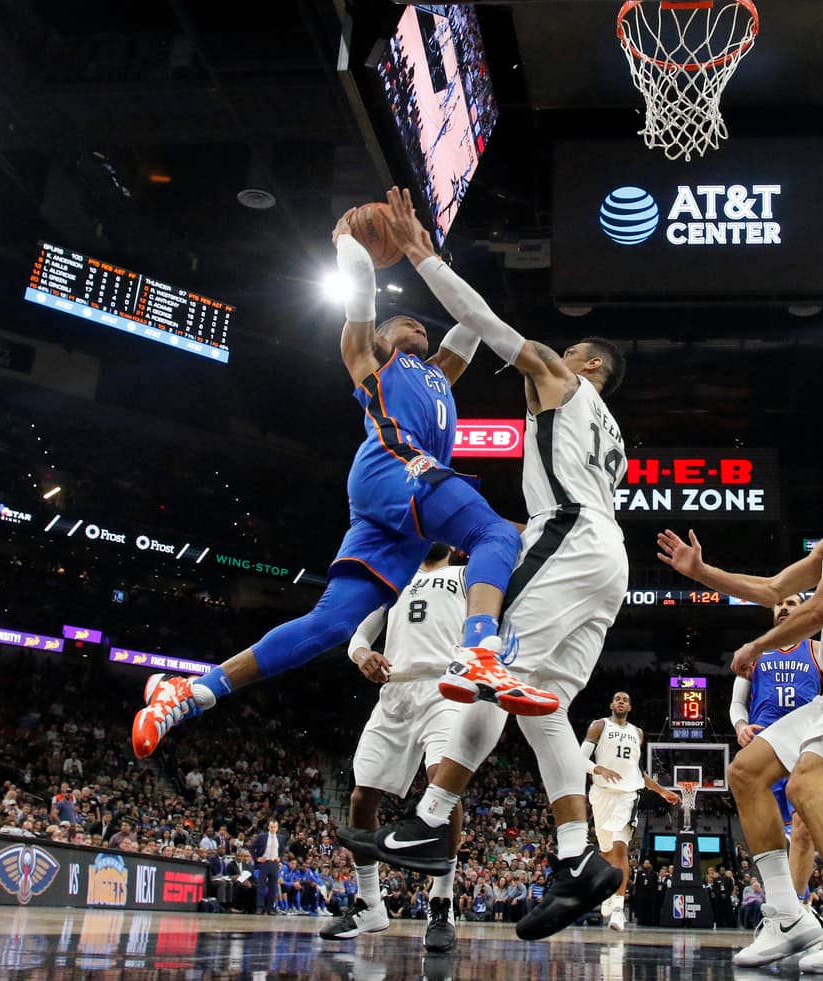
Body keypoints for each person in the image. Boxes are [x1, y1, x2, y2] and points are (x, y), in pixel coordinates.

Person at [129, 211, 549, 758]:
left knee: (330, 625)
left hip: (398, 510)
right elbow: (362, 294)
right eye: (405, 324)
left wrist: (469, 261)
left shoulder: (440, 373)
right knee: (495, 534)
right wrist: (347, 241)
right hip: (393, 469)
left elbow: (474, 317)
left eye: (421, 325)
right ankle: (478, 652)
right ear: (380, 337)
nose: (417, 326)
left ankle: (192, 691)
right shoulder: (370, 360)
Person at [340, 187, 630, 942]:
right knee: (545, 705)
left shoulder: (564, 382)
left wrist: (420, 255)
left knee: (489, 669)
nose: (553, 357)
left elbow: (486, 328)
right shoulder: (615, 436)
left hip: (564, 534)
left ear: (589, 363)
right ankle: (578, 858)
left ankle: (431, 817)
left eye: (570, 352)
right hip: (608, 558)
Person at [658, 443, 823, 971]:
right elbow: (775, 587)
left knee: (804, 787)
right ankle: (788, 915)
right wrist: (702, 572)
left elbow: (820, 608)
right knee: (747, 773)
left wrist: (758, 646)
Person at [320, 543, 466, 952]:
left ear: (454, 543)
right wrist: (363, 655)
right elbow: (360, 634)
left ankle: (442, 903)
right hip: (395, 691)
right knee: (362, 797)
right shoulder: (393, 580)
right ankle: (370, 904)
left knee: (444, 786)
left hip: (446, 688)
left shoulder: (467, 575)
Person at [729, 594, 822, 899]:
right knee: (775, 838)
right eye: (779, 603)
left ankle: (798, 903)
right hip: (765, 751)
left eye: (792, 603)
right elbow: (737, 704)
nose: (784, 607)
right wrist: (741, 727)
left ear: (804, 610)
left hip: (805, 748)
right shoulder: (756, 652)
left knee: (804, 828)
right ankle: (786, 903)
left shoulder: (818, 651)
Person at [582, 691, 680, 930]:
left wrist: (661, 791)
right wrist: (598, 769)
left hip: (627, 796)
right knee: (606, 852)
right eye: (617, 699)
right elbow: (579, 759)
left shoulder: (637, 733)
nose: (621, 701)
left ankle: (618, 909)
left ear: (630, 706)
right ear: (611, 704)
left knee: (619, 849)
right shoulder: (599, 725)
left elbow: (636, 772)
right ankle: (608, 892)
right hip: (602, 793)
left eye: (626, 699)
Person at [250, 818, 287, 916]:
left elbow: (283, 850)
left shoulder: (281, 838)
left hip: (274, 863)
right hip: (264, 863)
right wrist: (257, 858)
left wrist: (280, 858)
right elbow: (252, 847)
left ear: (277, 828)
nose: (273, 829)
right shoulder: (262, 836)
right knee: (261, 886)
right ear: (268, 827)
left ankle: (270, 908)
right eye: (271, 827)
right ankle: (260, 907)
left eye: (274, 827)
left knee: (273, 887)